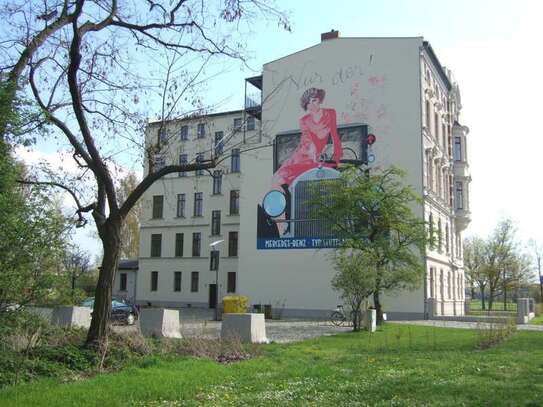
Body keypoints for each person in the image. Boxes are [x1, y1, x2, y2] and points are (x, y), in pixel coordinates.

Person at [272, 87, 342, 189]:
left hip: (315, 158)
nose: (312, 104)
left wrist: (336, 159)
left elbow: (335, 136)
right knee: (277, 180)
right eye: (309, 103)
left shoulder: (331, 113)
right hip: (303, 155)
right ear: (306, 106)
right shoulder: (304, 120)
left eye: (314, 100)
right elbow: (308, 141)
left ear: (319, 99)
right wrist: (313, 155)